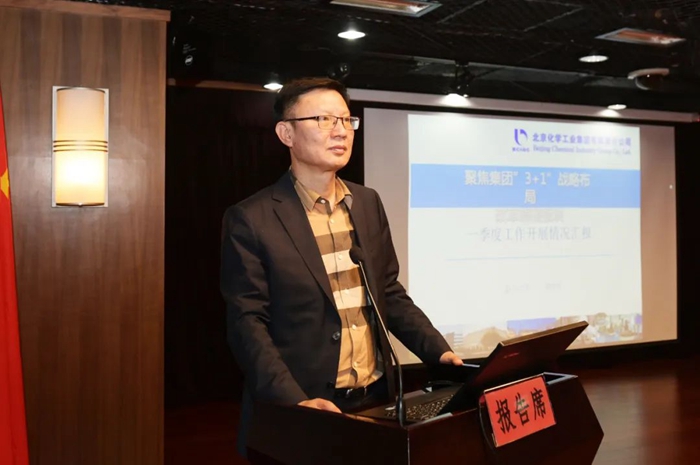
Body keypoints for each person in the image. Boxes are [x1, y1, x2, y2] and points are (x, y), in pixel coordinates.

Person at [220, 77, 462, 456]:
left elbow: (388, 294)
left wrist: (440, 353)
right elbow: (247, 323)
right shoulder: (252, 218)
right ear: (286, 133)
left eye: (346, 120)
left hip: (375, 404)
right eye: (323, 119)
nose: (340, 131)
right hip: (302, 412)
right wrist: (295, 401)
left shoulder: (366, 203)